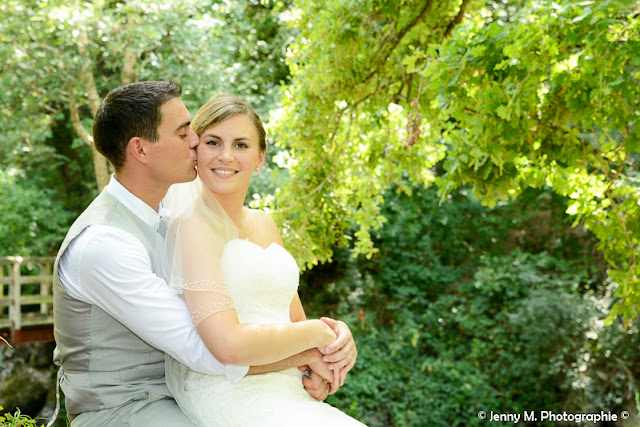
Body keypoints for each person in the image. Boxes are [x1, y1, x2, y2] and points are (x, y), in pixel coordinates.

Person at [51, 81, 357, 426]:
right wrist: (312, 348)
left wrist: (328, 340)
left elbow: (282, 318)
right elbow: (205, 350)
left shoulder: (168, 215)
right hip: (125, 409)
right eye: (184, 134)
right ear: (141, 149)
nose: (196, 142)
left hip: (190, 395)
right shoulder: (104, 244)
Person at [163, 94, 366, 426]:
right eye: (213, 142)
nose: (226, 155)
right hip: (227, 391)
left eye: (241, 145)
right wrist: (316, 337)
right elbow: (226, 346)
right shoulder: (192, 227)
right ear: (196, 150)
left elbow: (294, 322)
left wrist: (335, 345)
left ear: (260, 159)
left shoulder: (266, 224)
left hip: (286, 386)